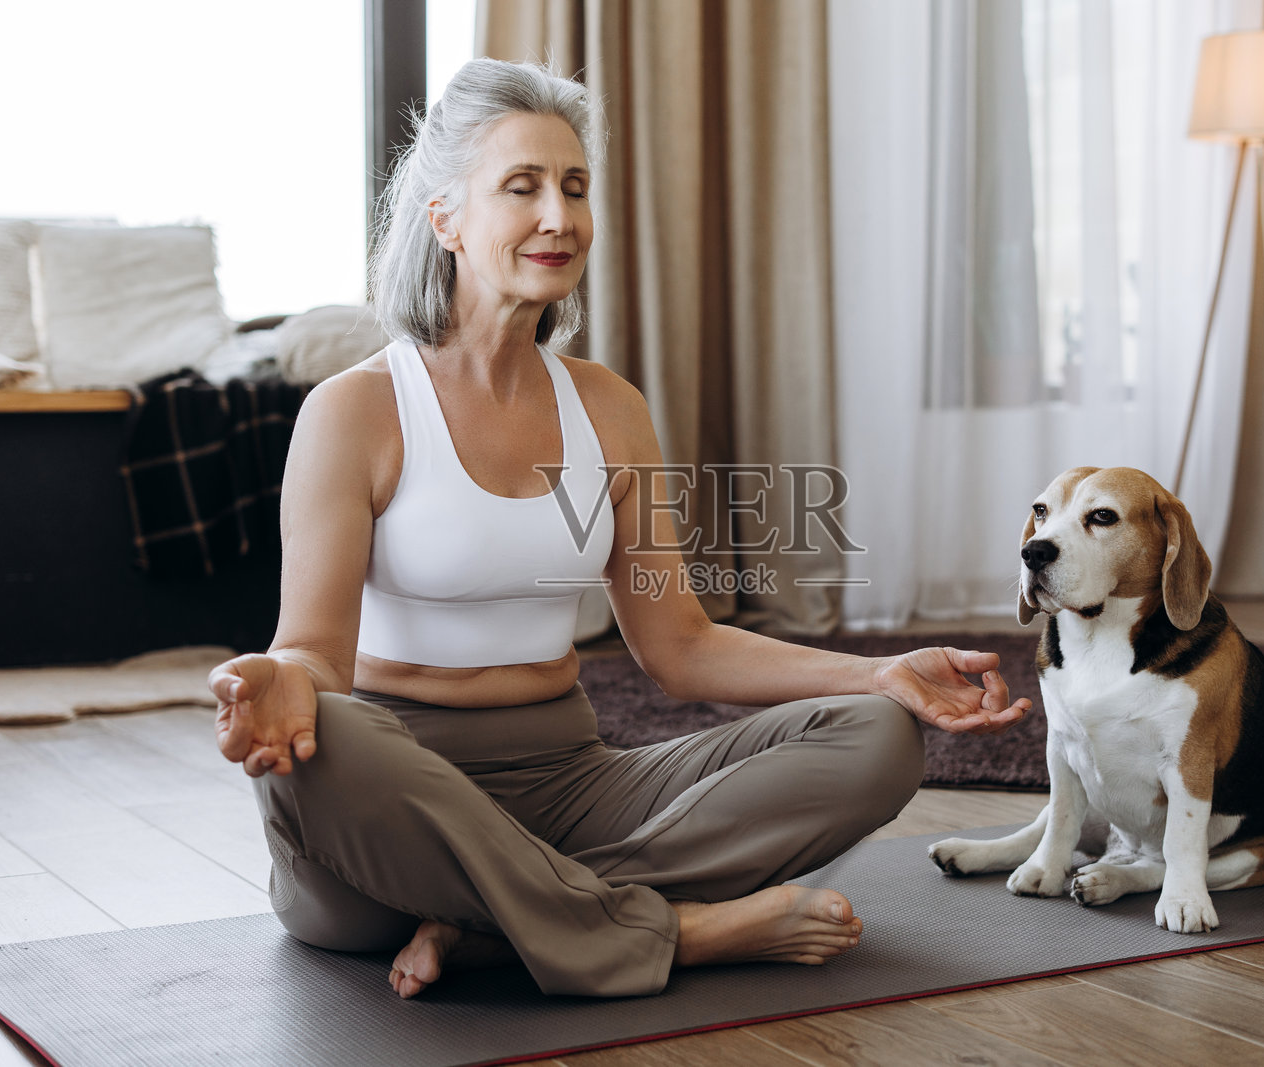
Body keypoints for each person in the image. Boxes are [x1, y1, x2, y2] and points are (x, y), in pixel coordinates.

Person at [208, 57, 1031, 1000]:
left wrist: (879, 673)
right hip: (395, 799)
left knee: (879, 737)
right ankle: (670, 929)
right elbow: (314, 654)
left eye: (574, 187)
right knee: (324, 751)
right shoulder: (355, 411)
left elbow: (680, 646)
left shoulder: (607, 407)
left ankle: (493, 924)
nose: (559, 216)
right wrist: (282, 680)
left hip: (569, 786)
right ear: (446, 219)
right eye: (521, 187)